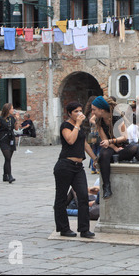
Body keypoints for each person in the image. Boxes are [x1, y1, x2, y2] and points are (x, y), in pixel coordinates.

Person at [53, 101, 97, 239]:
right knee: (61, 198)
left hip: (78, 167)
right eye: (76, 111)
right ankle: (63, 228)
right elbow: (70, 140)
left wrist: (95, 158)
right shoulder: (65, 125)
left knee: (83, 195)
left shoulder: (80, 128)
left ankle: (84, 229)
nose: (79, 113)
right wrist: (77, 124)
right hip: (65, 165)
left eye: (80, 111)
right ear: (70, 113)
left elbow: (84, 144)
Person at [92, 96, 138, 199]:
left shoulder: (117, 118)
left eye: (94, 109)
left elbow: (124, 137)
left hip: (122, 145)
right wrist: (113, 147)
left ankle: (108, 159)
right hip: (110, 148)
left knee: (135, 148)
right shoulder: (98, 121)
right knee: (104, 153)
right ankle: (106, 186)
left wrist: (112, 142)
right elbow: (104, 140)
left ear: (101, 109)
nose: (93, 112)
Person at [0, 103, 20, 183]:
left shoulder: (12, 118)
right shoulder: (0, 119)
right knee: (7, 157)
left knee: (8, 159)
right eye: (12, 108)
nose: (13, 110)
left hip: (10, 138)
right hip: (3, 139)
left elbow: (16, 128)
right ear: (8, 110)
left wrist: (17, 119)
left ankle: (5, 175)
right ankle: (10, 175)